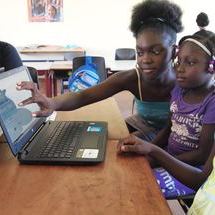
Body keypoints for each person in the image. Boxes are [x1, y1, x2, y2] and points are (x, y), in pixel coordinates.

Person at [17, 0, 183, 139]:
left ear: (174, 51)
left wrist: (151, 150)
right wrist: (51, 102)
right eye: (140, 52)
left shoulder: (188, 83)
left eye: (155, 51)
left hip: (179, 140)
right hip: (148, 131)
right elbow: (83, 96)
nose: (145, 59)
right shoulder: (133, 78)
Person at [118, 13, 215, 199]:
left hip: (191, 169)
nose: (180, 68)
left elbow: (202, 155)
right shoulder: (180, 90)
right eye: (179, 61)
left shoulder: (211, 102)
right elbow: (170, 127)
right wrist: (148, 148)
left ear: (211, 67)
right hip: (170, 157)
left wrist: (157, 157)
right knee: (130, 169)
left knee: (140, 188)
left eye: (191, 62)